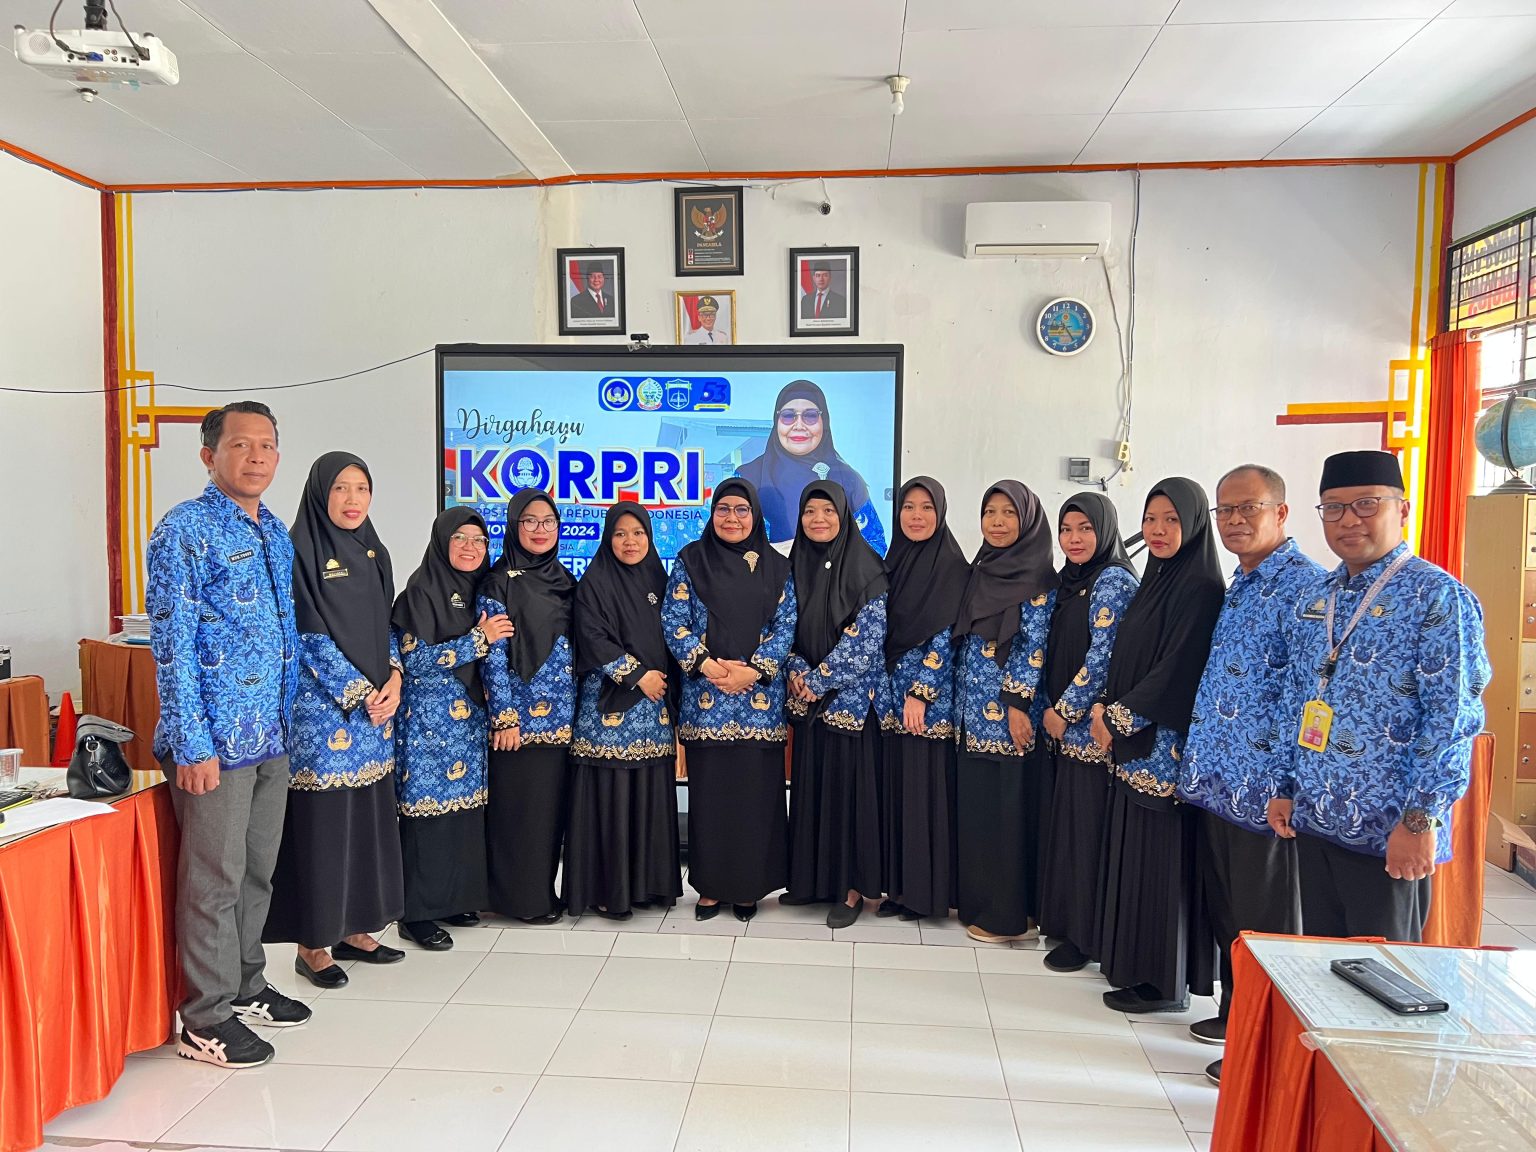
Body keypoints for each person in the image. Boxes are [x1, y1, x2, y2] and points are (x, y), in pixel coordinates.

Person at [1269, 450, 1490, 944]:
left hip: (1389, 831)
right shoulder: (1318, 597)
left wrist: (1420, 820)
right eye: (1333, 507)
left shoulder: (1437, 597)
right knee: (1319, 968)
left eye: (1366, 504)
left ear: (1403, 509)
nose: (1349, 520)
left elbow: (1452, 718)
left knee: (1380, 975)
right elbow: (1296, 698)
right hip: (1316, 818)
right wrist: (1285, 786)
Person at [146, 400, 309, 1068]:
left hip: (270, 733)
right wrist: (192, 743)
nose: (256, 457)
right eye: (241, 445)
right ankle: (205, 1018)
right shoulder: (183, 530)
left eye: (267, 445)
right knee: (214, 880)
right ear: (209, 455)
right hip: (214, 741)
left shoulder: (274, 531)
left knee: (256, 872)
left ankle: (246, 983)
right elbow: (173, 643)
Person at [1176, 466, 1320, 1084]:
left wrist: (1289, 784)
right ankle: (1238, 1014)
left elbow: (1308, 699)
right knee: (1231, 915)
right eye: (1225, 511)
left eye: (1248, 508)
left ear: (1281, 513)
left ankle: (1268, 1050)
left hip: (1264, 793)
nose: (1234, 520)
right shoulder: (1241, 583)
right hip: (1219, 783)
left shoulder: (1305, 588)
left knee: (1266, 923)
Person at [265, 452, 406, 990]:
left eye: (361, 488)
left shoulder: (374, 550)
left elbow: (386, 625)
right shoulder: (297, 549)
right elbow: (305, 634)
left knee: (366, 820)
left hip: (376, 711)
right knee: (325, 826)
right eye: (341, 488)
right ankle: (313, 945)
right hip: (323, 716)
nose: (352, 499)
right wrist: (359, 691)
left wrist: (393, 678)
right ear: (320, 492)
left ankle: (355, 929)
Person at [1092, 478, 1224, 1014]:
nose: (1159, 530)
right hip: (1133, 745)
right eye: (1150, 519)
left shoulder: (1200, 588)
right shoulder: (1157, 579)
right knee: (1137, 858)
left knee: (1161, 864)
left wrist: (1116, 719)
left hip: (1161, 751)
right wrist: (1106, 708)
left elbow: (1177, 671)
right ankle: (1136, 968)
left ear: (1193, 524)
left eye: (1171, 520)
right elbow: (1128, 656)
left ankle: (1164, 984)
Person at [663, 479, 796, 921]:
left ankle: (748, 888)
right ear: (712, 513)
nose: (732, 518)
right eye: (723, 509)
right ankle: (710, 888)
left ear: (755, 515)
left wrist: (752, 671)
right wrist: (711, 667)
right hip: (707, 700)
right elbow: (673, 621)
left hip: (760, 704)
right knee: (711, 799)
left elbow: (786, 625)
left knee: (754, 799)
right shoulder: (690, 560)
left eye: (742, 510)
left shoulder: (778, 567)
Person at [392, 509, 513, 950]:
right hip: (426, 724)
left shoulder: (482, 595)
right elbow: (416, 660)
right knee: (426, 817)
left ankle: (452, 899)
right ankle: (416, 914)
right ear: (442, 541)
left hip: (469, 723)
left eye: (479, 540)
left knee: (462, 814)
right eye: (460, 538)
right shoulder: (418, 594)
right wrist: (478, 640)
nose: (470, 547)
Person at [563, 504, 683, 919]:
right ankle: (607, 891)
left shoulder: (660, 582)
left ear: (650, 537)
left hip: (654, 712)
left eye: (638, 533)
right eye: (620, 534)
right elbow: (592, 636)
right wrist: (637, 675)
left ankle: (646, 886)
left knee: (647, 795)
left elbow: (675, 637)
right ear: (607, 539)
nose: (630, 542)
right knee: (610, 797)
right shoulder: (594, 583)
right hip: (607, 714)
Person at [952, 481, 1058, 944]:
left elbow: (1034, 646)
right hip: (970, 716)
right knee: (981, 814)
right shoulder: (982, 569)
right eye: (990, 512)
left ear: (1028, 520)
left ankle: (1007, 917)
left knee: (1007, 816)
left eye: (1009, 513)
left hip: (1010, 721)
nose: (997, 522)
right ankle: (980, 903)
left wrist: (1018, 705)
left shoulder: (1037, 577)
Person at [781, 480, 890, 928]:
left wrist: (817, 679)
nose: (818, 519)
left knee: (847, 798)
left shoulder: (868, 569)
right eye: (810, 511)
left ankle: (850, 888)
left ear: (844, 515)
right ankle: (811, 881)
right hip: (808, 703)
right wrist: (793, 668)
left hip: (850, 705)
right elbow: (783, 626)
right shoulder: (794, 566)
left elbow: (866, 643)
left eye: (828, 510)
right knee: (812, 791)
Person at [1037, 492, 1138, 972]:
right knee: (1070, 831)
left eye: (1085, 529)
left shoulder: (1112, 580)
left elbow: (1104, 657)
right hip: (1063, 734)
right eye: (1066, 529)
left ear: (1106, 530)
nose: (1074, 539)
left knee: (1087, 836)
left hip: (1088, 734)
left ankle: (1087, 938)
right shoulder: (1069, 581)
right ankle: (1067, 925)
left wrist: (1063, 710)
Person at [479, 490, 577, 925]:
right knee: (518, 812)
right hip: (517, 722)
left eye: (549, 521)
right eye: (530, 521)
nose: (541, 530)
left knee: (548, 814)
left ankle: (539, 892)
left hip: (561, 720)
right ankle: (520, 901)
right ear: (514, 526)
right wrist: (504, 717)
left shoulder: (564, 579)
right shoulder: (498, 582)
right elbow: (492, 653)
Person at [876, 477, 969, 921]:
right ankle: (898, 888)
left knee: (924, 795)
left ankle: (926, 895)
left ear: (941, 513)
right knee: (898, 793)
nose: (916, 516)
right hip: (891, 702)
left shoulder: (952, 567)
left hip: (927, 707)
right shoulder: (891, 563)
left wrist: (920, 693)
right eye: (908, 507)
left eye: (927, 507)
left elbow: (946, 638)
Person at [736, 380, 886, 552]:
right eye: (788, 415)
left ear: (824, 421)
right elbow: (723, 542)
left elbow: (876, 545)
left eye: (810, 415)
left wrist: (829, 557)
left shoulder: (848, 480)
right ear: (776, 421)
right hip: (764, 570)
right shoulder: (747, 478)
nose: (799, 425)